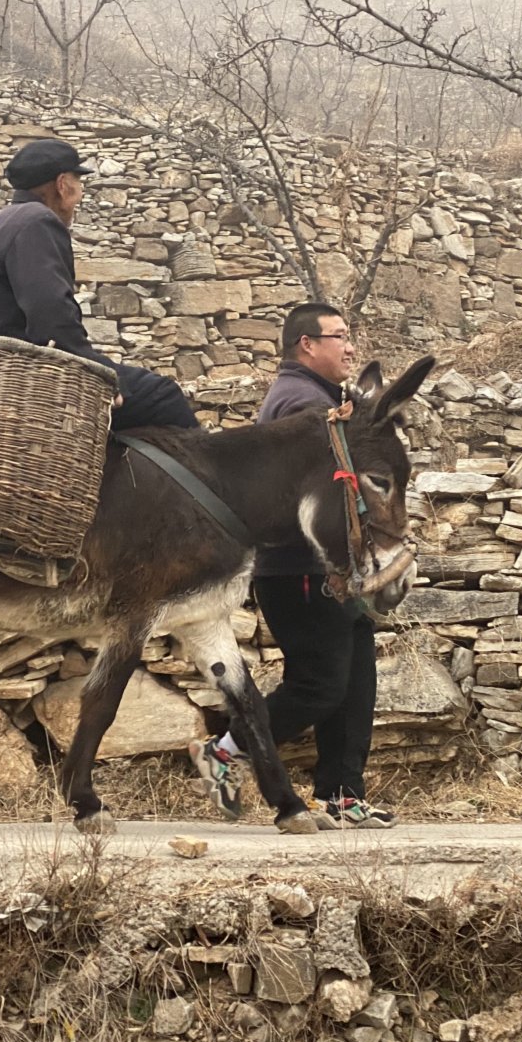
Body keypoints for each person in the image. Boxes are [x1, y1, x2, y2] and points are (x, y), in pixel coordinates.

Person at [189, 302, 396, 830]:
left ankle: (342, 794)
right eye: (339, 336)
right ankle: (225, 750)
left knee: (355, 679)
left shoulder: (323, 401)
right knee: (319, 685)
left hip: (324, 568)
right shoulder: (301, 404)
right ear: (307, 344)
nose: (350, 347)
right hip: (298, 569)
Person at [0, 138, 197, 431]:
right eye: (79, 183)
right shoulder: (38, 221)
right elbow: (50, 312)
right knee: (164, 396)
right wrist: (99, 374)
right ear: (62, 184)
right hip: (31, 378)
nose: (80, 195)